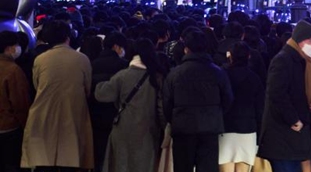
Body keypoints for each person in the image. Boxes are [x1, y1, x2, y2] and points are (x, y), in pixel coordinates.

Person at [22, 20, 94, 172]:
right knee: (71, 156)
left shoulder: (41, 59)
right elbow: (87, 88)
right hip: (73, 110)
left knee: (45, 157)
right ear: (68, 37)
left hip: (44, 111)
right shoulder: (82, 59)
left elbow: (37, 85)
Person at [257, 20, 311, 172]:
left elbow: (303, 93)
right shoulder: (284, 60)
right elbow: (276, 94)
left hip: (296, 134)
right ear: (301, 40)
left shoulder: (304, 62)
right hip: (284, 133)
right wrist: (294, 120)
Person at [163, 28, 233, 172]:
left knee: (182, 167)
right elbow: (228, 98)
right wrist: (216, 113)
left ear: (186, 50)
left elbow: (167, 102)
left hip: (183, 127)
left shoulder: (175, 73)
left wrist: (174, 118)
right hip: (210, 126)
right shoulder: (218, 72)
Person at [95, 38, 167, 172]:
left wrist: (99, 83)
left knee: (122, 165)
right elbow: (160, 108)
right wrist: (165, 128)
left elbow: (102, 95)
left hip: (123, 128)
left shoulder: (122, 75)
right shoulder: (157, 77)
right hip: (148, 131)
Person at [219, 42, 265, 172]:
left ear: (230, 56)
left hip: (224, 128)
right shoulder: (254, 78)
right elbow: (260, 109)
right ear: (248, 56)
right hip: (248, 130)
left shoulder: (222, 75)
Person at [90, 32, 129, 172]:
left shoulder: (92, 63)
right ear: (116, 47)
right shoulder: (124, 65)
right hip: (116, 114)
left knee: (99, 150)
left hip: (96, 113)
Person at [0, 31, 31, 172]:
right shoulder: (13, 70)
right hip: (9, 128)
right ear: (9, 48)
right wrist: (26, 125)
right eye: (16, 45)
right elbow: (20, 103)